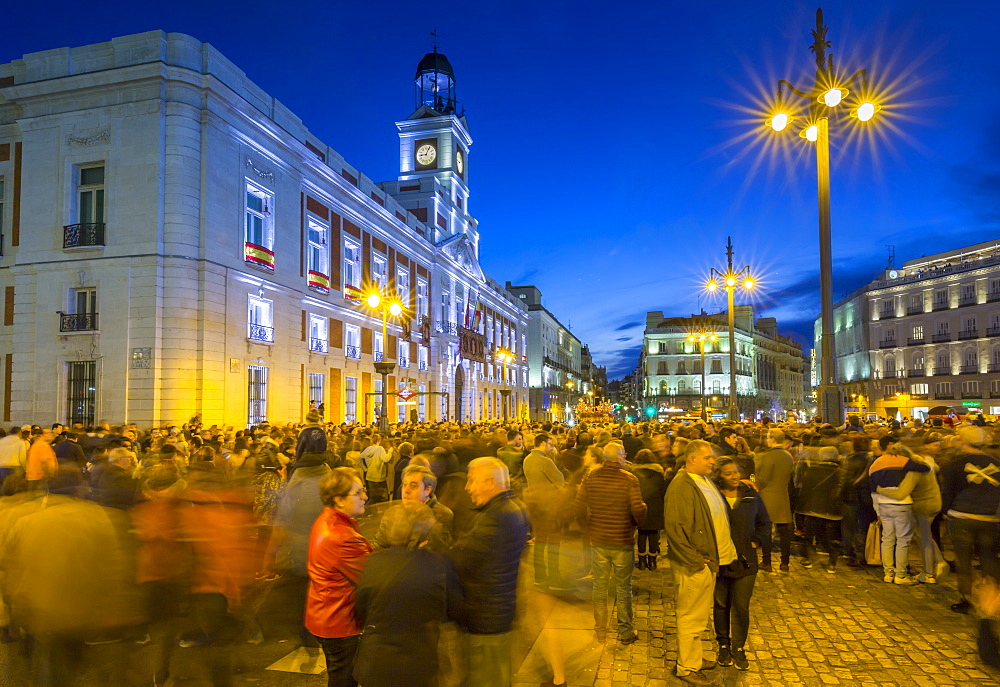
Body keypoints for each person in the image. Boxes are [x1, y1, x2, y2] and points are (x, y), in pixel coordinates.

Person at [353, 501, 463, 687]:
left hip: (376, 664)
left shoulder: (370, 563)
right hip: (418, 663)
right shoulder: (439, 565)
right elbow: (454, 611)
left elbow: (360, 613)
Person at [450, 457, 529, 687]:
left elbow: (461, 560)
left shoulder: (496, 517)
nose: (467, 487)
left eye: (472, 481)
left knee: (487, 678)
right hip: (492, 614)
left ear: (490, 482)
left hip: (486, 619)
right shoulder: (507, 508)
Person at [664, 439, 735, 686]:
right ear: (691, 458)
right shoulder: (682, 485)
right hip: (695, 563)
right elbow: (676, 528)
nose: (712, 461)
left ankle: (693, 658)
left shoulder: (702, 481)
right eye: (707, 458)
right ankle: (686, 667)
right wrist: (695, 561)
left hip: (708, 561)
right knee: (690, 616)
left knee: (699, 616)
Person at [305, 468, 373, 687]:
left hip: (324, 613)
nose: (365, 497)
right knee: (344, 678)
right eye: (358, 493)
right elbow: (373, 576)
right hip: (341, 621)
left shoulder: (326, 520)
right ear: (339, 500)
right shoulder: (343, 537)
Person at [574, 441, 646, 644]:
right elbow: (638, 508)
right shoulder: (629, 479)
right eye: (623, 454)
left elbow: (578, 506)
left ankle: (600, 631)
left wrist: (588, 527)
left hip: (598, 540)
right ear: (619, 457)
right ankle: (625, 631)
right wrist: (636, 522)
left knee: (600, 586)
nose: (625, 458)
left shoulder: (591, 477)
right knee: (623, 586)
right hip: (622, 539)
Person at [712, 457, 770, 672]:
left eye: (736, 472)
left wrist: (756, 541)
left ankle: (738, 646)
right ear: (719, 476)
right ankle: (723, 645)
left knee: (741, 606)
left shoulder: (750, 495)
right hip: (721, 560)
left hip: (746, 560)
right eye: (728, 473)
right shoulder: (714, 496)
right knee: (720, 605)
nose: (734, 476)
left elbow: (764, 522)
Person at [941, 426, 1000, 614]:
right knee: (988, 556)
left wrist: (945, 511)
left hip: (962, 516)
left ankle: (966, 598)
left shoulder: (956, 464)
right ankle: (991, 597)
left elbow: (949, 491)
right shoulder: (996, 463)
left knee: (963, 558)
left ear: (963, 441)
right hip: (989, 517)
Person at [869, 442, 929, 584]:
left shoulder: (877, 463)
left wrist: (877, 510)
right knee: (903, 539)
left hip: (883, 504)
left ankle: (888, 573)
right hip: (902, 504)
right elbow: (925, 468)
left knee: (887, 539)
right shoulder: (904, 461)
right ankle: (900, 574)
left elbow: (873, 489)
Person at [374, 464, 454, 552]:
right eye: (404, 484)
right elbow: (378, 545)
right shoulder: (392, 512)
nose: (406, 490)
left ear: (427, 490)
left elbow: (430, 553)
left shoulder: (441, 515)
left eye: (413, 485)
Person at [523, 433, 567, 590]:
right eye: (550, 444)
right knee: (554, 543)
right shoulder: (545, 461)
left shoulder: (527, 459)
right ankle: (554, 577)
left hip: (535, 506)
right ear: (542, 444)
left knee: (540, 542)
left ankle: (540, 577)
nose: (552, 447)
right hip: (550, 506)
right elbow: (560, 479)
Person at [753, 428, 794, 572]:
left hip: (767, 497)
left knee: (766, 531)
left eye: (768, 438)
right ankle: (785, 563)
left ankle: (767, 562)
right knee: (784, 531)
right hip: (782, 496)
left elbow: (762, 479)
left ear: (773, 439)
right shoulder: (788, 456)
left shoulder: (767, 456)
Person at [632, 448, 665, 571]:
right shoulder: (658, 474)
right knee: (653, 534)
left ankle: (641, 561)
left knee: (641, 533)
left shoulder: (634, 474)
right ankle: (652, 561)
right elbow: (663, 492)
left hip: (640, 506)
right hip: (655, 508)